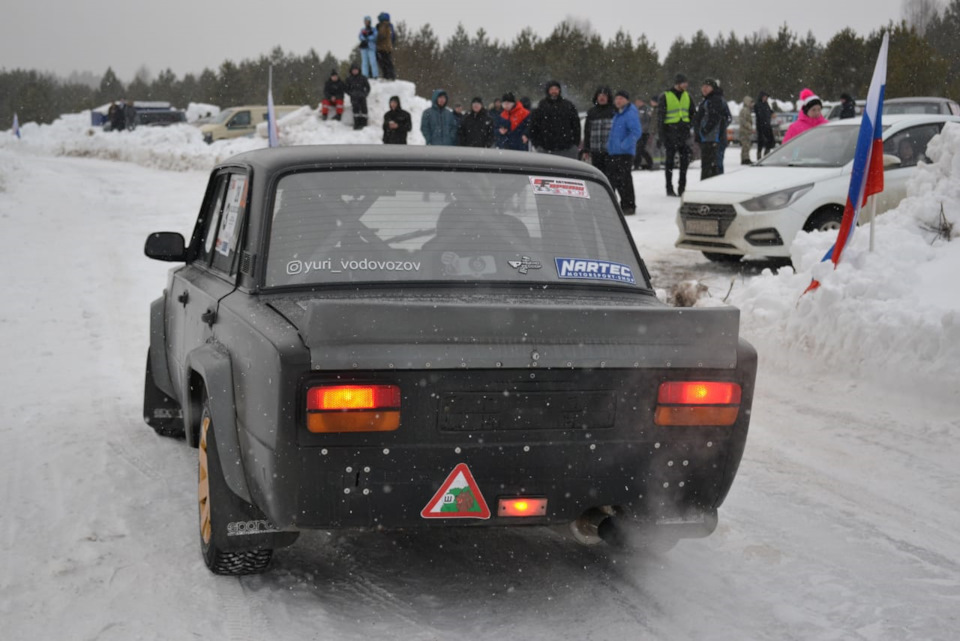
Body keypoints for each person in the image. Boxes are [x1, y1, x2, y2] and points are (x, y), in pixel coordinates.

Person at [606, 90, 642, 215]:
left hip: (624, 153)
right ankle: (621, 204)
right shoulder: (618, 114)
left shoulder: (630, 113)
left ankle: (629, 205)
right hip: (614, 152)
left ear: (626, 100)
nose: (618, 101)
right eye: (616, 98)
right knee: (615, 179)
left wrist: (624, 145)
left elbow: (636, 132)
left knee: (624, 180)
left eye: (621, 98)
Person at [659, 73, 694, 197]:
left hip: (683, 133)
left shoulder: (687, 96)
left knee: (684, 162)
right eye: (684, 82)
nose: (686, 85)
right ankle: (669, 187)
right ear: (678, 83)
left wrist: (688, 125)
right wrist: (662, 136)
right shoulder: (666, 96)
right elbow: (661, 117)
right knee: (669, 163)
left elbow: (692, 113)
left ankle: (682, 187)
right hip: (670, 133)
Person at [526, 81, 581, 158]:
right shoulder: (541, 107)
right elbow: (533, 127)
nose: (554, 91)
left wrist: (575, 144)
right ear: (548, 91)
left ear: (559, 90)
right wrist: (537, 145)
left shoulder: (568, 106)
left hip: (567, 149)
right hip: (546, 149)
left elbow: (576, 126)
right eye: (551, 89)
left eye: (556, 89)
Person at [692, 78, 725, 181]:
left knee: (709, 167)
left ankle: (708, 187)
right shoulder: (706, 100)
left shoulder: (715, 100)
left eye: (707, 87)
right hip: (706, 139)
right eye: (703, 86)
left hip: (711, 139)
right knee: (708, 166)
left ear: (713, 88)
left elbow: (714, 118)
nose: (704, 89)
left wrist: (703, 131)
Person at [582, 86, 615, 174]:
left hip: (611, 151)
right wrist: (586, 149)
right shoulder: (592, 112)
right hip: (595, 151)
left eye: (604, 95)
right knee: (598, 174)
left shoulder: (614, 111)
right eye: (599, 95)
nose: (602, 97)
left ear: (608, 97)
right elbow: (587, 132)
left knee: (611, 175)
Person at [345, 64, 371, 130]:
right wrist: (351, 94)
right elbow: (346, 88)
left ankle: (364, 123)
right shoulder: (349, 79)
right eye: (353, 70)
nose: (355, 71)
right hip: (354, 97)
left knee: (364, 109)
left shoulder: (363, 78)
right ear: (351, 71)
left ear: (359, 70)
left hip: (362, 96)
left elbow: (368, 87)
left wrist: (365, 94)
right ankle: (356, 123)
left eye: (356, 70)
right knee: (355, 109)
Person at [714, 84, 732, 175]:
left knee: (717, 159)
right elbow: (729, 118)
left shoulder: (718, 102)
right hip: (721, 136)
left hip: (716, 136)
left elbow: (729, 118)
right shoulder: (723, 102)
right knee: (719, 159)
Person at [633, 98, 654, 170]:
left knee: (640, 149)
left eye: (638, 101)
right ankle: (641, 163)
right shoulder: (637, 109)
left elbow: (647, 121)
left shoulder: (646, 109)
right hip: (638, 132)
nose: (636, 103)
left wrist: (644, 130)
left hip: (644, 132)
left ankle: (639, 164)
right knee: (639, 149)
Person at [376, 12, 397, 80]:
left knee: (384, 62)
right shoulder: (390, 25)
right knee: (388, 62)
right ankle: (390, 75)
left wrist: (375, 38)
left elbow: (381, 35)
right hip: (388, 47)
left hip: (383, 47)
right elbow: (393, 37)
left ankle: (388, 75)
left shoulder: (384, 25)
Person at [754, 91, 775, 157]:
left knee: (770, 140)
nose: (765, 98)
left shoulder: (766, 104)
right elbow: (760, 114)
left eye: (766, 97)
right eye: (764, 97)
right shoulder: (758, 104)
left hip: (767, 125)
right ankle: (759, 155)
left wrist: (772, 113)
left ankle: (767, 153)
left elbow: (769, 110)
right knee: (761, 141)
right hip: (761, 126)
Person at [739, 96, 755, 165]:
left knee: (747, 145)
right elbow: (744, 121)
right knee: (746, 145)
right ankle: (745, 159)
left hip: (746, 131)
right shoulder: (745, 110)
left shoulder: (747, 110)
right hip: (744, 131)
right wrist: (750, 127)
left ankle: (746, 158)